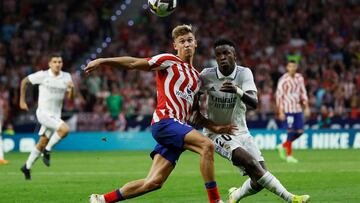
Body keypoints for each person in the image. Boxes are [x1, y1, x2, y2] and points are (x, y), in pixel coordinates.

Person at [85, 25, 235, 203]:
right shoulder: (169, 61)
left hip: (179, 127)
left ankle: (101, 199)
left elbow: (195, 115)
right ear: (175, 46)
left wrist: (217, 127)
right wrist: (102, 60)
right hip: (165, 122)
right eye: (182, 42)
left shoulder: (196, 78)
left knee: (154, 182)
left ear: (196, 44)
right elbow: (133, 63)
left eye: (189, 41)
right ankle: (215, 201)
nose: (186, 44)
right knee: (207, 146)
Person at [193, 38, 310, 203]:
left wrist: (237, 91)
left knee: (260, 177)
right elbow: (193, 106)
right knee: (251, 164)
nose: (222, 57)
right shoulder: (206, 75)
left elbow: (254, 103)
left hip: (241, 130)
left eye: (226, 53)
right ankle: (291, 198)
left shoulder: (244, 73)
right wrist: (211, 125)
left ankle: (236, 195)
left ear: (235, 55)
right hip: (216, 134)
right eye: (218, 54)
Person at [19, 53, 74, 180]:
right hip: (43, 113)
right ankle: (48, 150)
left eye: (59, 62)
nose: (57, 64)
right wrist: (22, 101)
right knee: (65, 129)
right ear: (50, 64)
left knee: (42, 142)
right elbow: (24, 81)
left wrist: (72, 90)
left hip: (55, 115)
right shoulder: (43, 75)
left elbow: (70, 98)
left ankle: (26, 167)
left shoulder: (66, 77)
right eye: (54, 62)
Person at [276, 60, 310, 163]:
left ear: (296, 67)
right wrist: (281, 111)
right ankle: (289, 156)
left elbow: (303, 92)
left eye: (294, 66)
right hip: (288, 109)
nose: (292, 68)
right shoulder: (283, 80)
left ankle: (283, 145)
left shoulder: (299, 78)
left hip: (298, 109)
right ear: (287, 67)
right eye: (290, 66)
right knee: (290, 131)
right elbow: (279, 96)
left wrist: (307, 106)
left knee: (300, 132)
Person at [0, 85, 9, 164]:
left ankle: (1, 157)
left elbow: (5, 110)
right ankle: (1, 158)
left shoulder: (2, 101)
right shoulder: (2, 101)